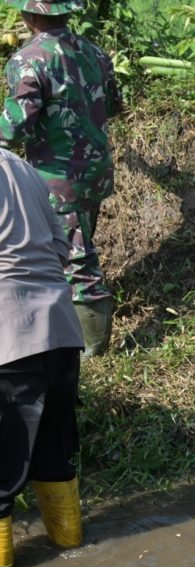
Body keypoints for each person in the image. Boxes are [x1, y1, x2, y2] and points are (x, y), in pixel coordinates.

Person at [0, 0, 123, 357]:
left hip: (58, 180)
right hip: (95, 172)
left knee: (78, 261)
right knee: (77, 249)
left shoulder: (29, 60)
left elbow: (15, 125)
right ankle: (69, 325)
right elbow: (114, 104)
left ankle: (93, 352)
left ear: (30, 15)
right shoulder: (94, 52)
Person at [0, 147, 85, 567]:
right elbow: (62, 244)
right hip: (61, 331)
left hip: (11, 341)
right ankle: (72, 552)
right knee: (53, 456)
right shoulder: (21, 166)